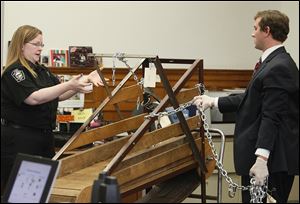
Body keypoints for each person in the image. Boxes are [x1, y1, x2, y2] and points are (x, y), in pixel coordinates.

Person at [193, 10, 298, 203]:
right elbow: (253, 99)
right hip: (266, 159)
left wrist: (261, 160)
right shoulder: (271, 63)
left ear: (267, 31)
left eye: (255, 28)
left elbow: (271, 116)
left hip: (271, 163)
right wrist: (213, 101)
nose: (252, 33)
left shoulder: (279, 67)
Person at [1, 25, 104, 193]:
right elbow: (34, 97)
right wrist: (71, 84)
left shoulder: (41, 71)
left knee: (41, 192)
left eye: (42, 44)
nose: (40, 49)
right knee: (23, 194)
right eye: (36, 44)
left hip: (43, 138)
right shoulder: (15, 72)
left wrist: (83, 81)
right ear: (21, 45)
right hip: (20, 142)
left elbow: (59, 94)